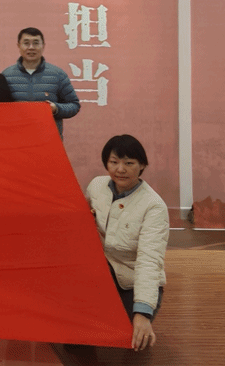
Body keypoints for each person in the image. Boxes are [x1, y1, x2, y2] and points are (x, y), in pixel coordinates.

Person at [86, 134, 168, 352]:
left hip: (130, 279)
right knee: (78, 331)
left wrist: (142, 312)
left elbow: (149, 260)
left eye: (129, 163)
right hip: (99, 271)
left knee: (128, 336)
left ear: (142, 165)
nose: (120, 169)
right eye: (114, 162)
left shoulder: (154, 206)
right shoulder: (96, 186)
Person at [2, 27, 80, 138]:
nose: (31, 47)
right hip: (16, 139)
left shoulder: (58, 74)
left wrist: (56, 108)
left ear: (43, 46)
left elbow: (74, 105)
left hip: (49, 140)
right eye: (26, 43)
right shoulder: (6, 75)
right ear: (18, 46)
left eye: (36, 43)